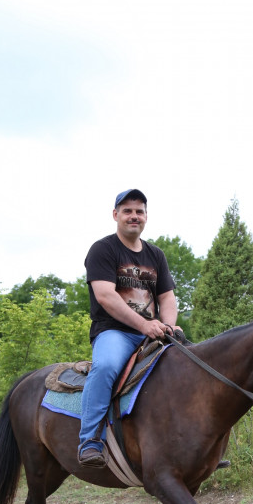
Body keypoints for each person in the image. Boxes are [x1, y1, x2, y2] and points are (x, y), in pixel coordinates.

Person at [78, 189, 179, 467]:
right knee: (106, 366)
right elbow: (106, 296)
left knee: (189, 369)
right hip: (115, 332)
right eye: (127, 211)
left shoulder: (156, 255)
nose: (134, 216)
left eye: (139, 211)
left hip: (154, 331)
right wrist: (145, 325)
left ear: (146, 217)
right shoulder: (103, 249)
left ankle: (194, 446)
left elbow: (167, 297)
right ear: (115, 215)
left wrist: (168, 326)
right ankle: (90, 440)